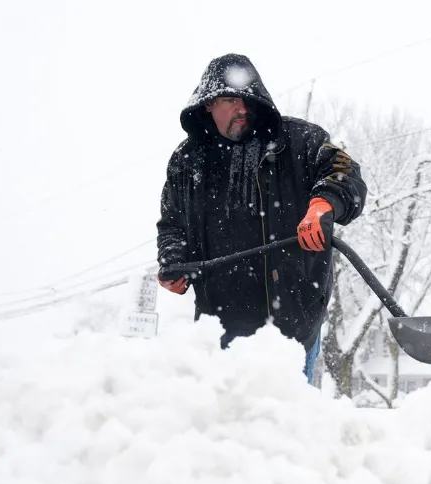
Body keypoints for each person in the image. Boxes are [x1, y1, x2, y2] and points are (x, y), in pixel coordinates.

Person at [156, 53, 367, 383]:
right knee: (220, 427)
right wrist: (173, 261)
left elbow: (344, 173)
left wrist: (322, 206)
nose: (241, 109)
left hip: (292, 328)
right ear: (208, 105)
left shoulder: (300, 142)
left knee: (287, 425)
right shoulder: (187, 162)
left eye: (246, 99)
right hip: (219, 329)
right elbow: (172, 223)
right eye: (229, 100)